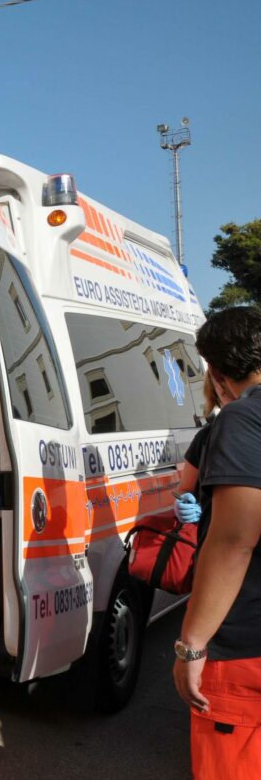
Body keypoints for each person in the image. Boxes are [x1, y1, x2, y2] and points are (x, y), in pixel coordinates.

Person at [173, 306, 261, 780]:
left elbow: (233, 540)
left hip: (246, 647)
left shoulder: (242, 420)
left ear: (216, 371)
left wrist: (191, 646)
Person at [173, 377, 236, 525]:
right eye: (223, 392)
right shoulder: (205, 437)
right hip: (214, 534)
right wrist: (183, 503)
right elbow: (184, 488)